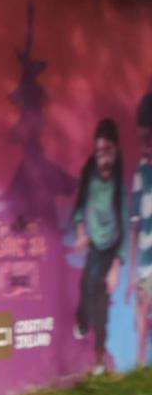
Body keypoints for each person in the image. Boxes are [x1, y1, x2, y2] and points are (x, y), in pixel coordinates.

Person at [69, 118, 125, 374]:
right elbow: (79, 207)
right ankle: (82, 322)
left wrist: (116, 266)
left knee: (100, 300)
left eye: (108, 152)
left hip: (111, 246)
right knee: (85, 286)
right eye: (99, 151)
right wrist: (81, 231)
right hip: (94, 241)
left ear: (115, 150)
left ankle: (99, 359)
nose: (103, 157)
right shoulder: (89, 174)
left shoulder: (119, 181)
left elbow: (124, 222)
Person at [129, 95, 152, 368]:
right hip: (146, 264)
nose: (145, 146)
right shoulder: (140, 174)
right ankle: (139, 366)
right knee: (142, 309)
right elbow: (135, 227)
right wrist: (134, 270)